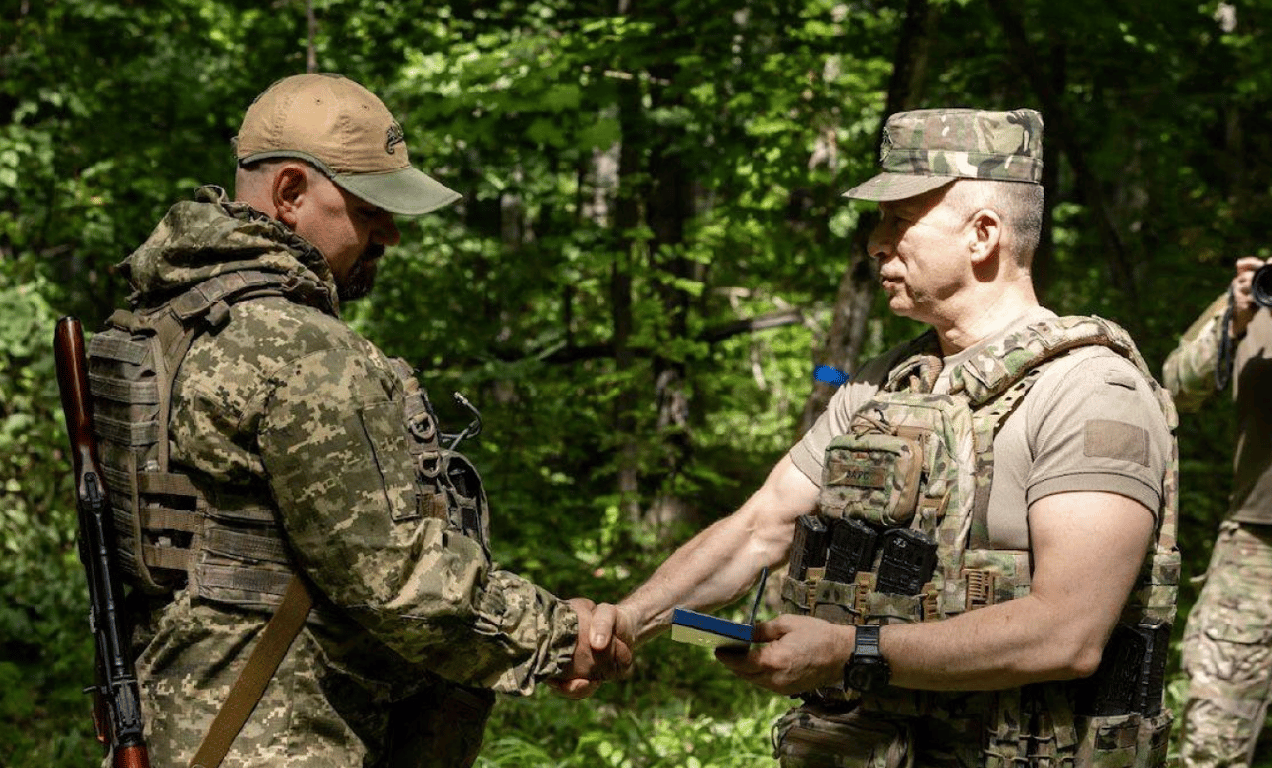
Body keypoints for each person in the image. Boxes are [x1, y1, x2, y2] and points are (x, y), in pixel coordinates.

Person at [583, 108, 1181, 767]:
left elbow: (1068, 634)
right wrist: (631, 621)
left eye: (899, 220)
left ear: (983, 234)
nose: (876, 243)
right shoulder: (885, 383)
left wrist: (850, 650)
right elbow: (761, 528)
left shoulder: (1091, 393)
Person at [83, 73, 626, 768]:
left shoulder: (158, 323)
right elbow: (394, 577)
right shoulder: (303, 350)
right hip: (283, 735)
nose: (391, 235)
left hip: (177, 718)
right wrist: (559, 635)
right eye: (371, 209)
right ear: (289, 194)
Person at [1165, 256, 1272, 768]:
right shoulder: (1262, 293)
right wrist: (1234, 320)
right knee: (1212, 744)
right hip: (1256, 547)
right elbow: (1177, 388)